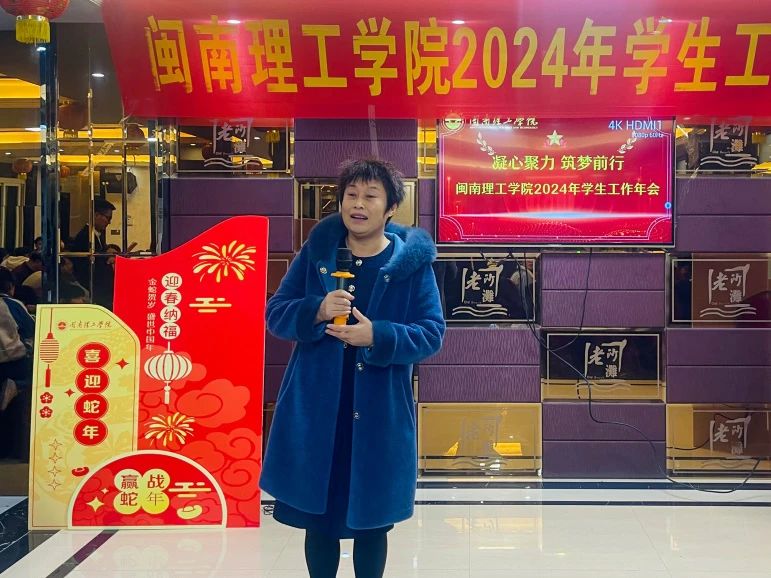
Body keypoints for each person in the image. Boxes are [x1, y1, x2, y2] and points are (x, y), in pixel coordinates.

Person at [261, 159, 445, 578]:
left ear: (391, 207)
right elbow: (276, 313)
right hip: (316, 407)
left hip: (378, 411)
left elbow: (431, 333)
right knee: (319, 517)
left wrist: (378, 335)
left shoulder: (411, 265)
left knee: (371, 520)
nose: (358, 205)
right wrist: (316, 309)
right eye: (351, 195)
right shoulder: (317, 254)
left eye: (370, 196)